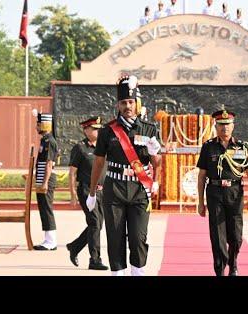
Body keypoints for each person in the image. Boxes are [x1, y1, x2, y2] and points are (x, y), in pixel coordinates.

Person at [87, 75, 162, 276]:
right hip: (115, 189)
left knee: (138, 237)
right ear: (118, 105)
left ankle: (137, 271)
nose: (127, 106)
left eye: (130, 102)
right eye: (123, 103)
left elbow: (157, 163)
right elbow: (99, 162)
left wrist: (155, 163)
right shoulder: (107, 131)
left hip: (139, 189)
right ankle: (118, 272)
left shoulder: (149, 129)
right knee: (115, 236)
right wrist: (92, 192)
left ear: (137, 104)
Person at [197, 110, 248, 276]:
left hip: (235, 193)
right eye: (221, 125)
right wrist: (201, 202)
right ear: (215, 126)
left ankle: (233, 261)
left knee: (236, 236)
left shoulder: (242, 147)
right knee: (217, 234)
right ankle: (220, 269)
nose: (224, 128)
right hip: (215, 193)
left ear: (233, 126)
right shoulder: (208, 147)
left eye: (227, 125)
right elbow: (202, 176)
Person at [66, 116, 109, 270]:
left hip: (103, 192)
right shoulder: (80, 148)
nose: (98, 131)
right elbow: (72, 173)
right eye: (95, 129)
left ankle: (75, 246)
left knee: (95, 224)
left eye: (99, 129)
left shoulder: (103, 146)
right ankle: (95, 260)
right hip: (86, 190)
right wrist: (72, 195)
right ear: (86, 130)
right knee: (95, 223)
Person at [33, 111, 59, 250]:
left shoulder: (50, 141)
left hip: (46, 179)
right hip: (42, 177)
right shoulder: (44, 139)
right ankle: (47, 239)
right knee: (43, 208)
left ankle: (51, 241)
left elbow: (49, 163)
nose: (36, 127)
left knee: (47, 208)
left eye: (38, 124)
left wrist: (44, 183)